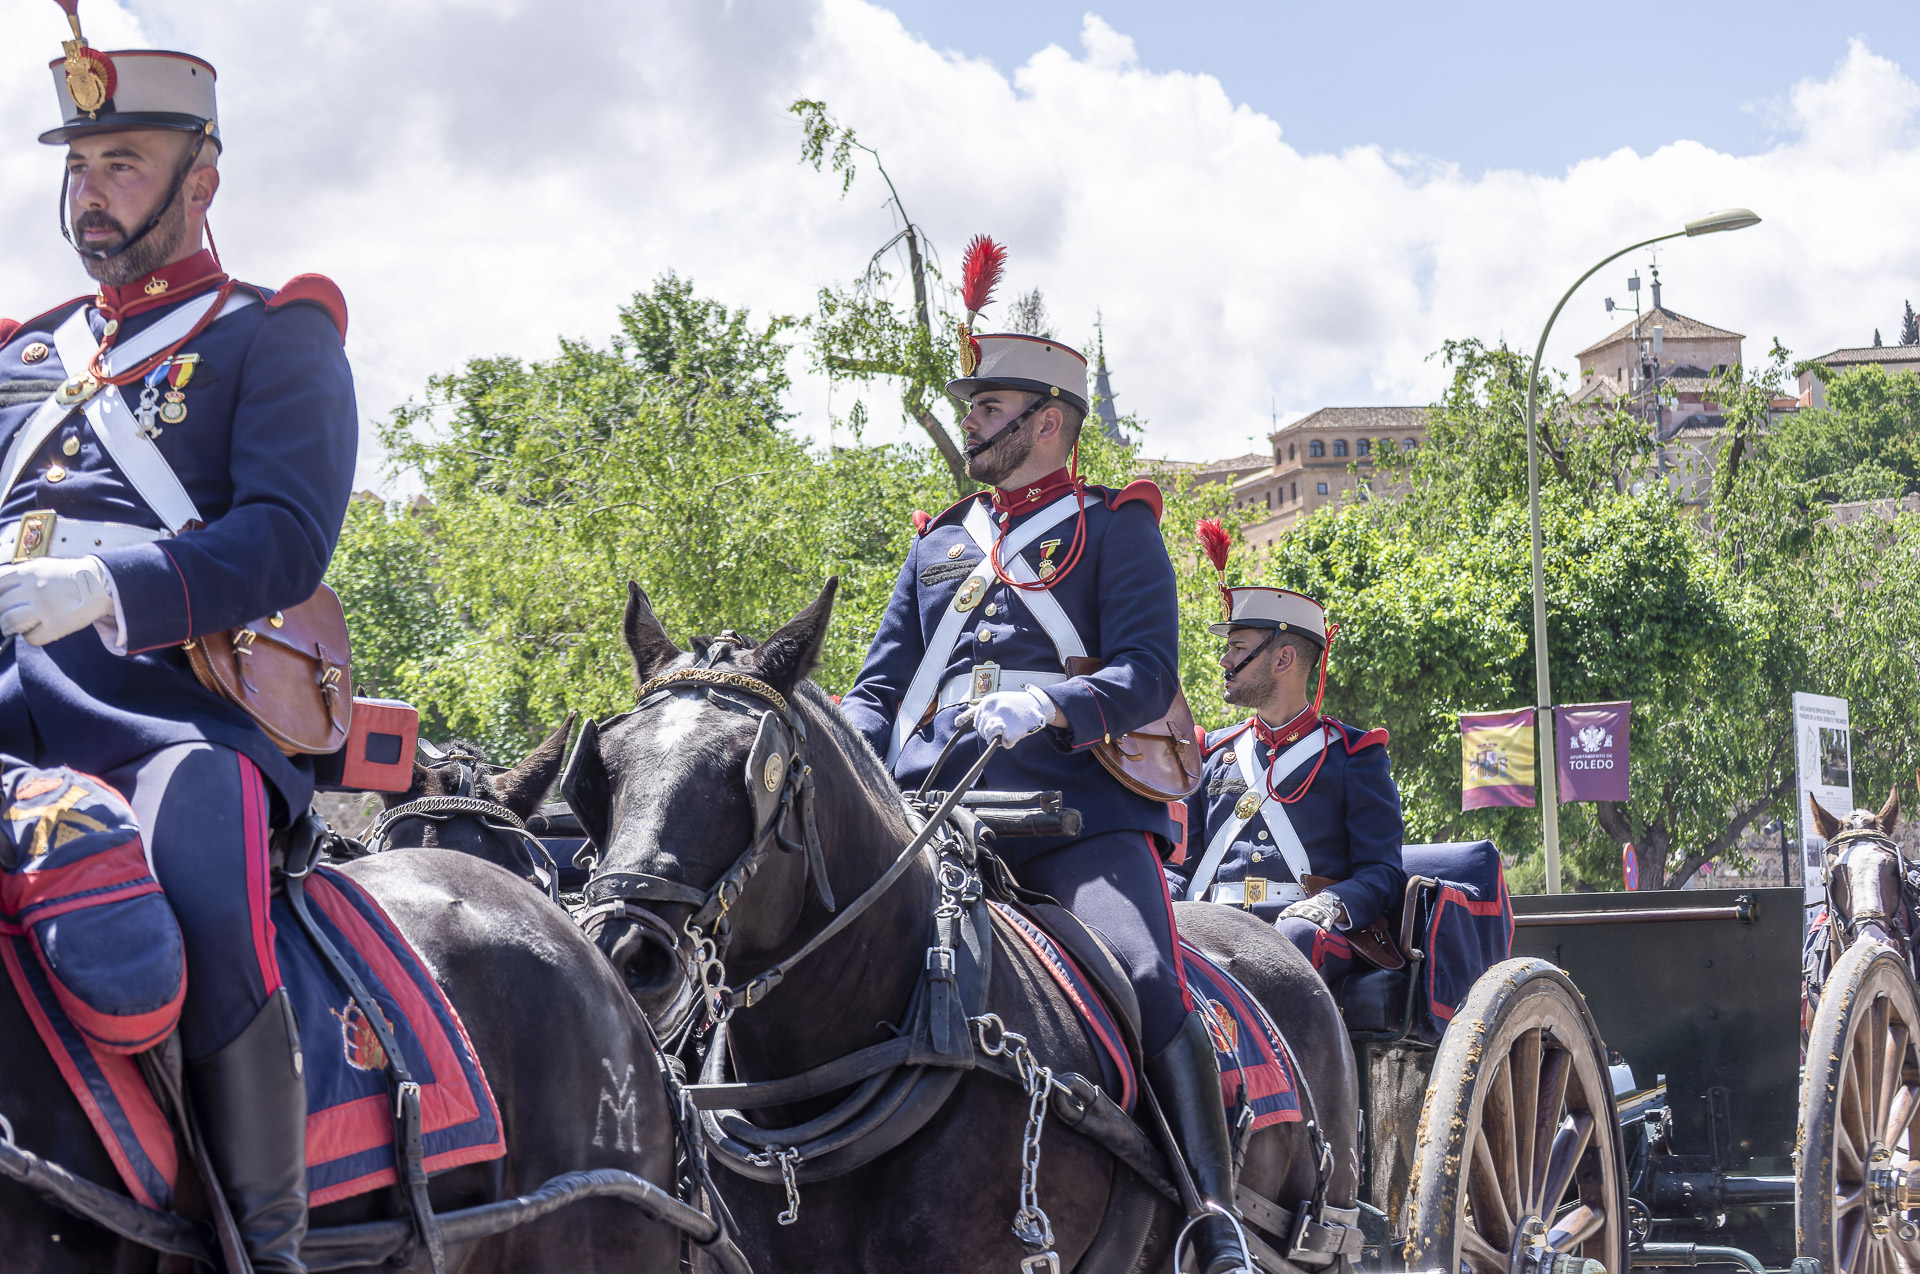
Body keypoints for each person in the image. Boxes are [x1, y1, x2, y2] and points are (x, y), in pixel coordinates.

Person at [0, 9, 357, 1269]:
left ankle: (263, 1238)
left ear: (202, 177)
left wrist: (106, 588)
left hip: (168, 718)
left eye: (126, 164)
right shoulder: (21, 359)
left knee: (197, 839)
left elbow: (282, 540)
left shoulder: (275, 336)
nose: (93, 197)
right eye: (80, 168)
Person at [839, 255, 1250, 1274]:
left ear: (1051, 421)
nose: (972, 421)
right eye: (971, 406)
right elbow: (878, 685)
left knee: (1150, 974)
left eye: (991, 405)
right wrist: (845, 735)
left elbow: (1151, 675)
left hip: (1074, 819)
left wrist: (1056, 701)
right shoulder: (936, 546)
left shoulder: (1118, 532)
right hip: (928, 817)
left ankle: (1213, 1216)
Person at [1171, 584, 1406, 986]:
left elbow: (1382, 874)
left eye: (1239, 648)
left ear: (1283, 658)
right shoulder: (1211, 753)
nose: (1224, 660)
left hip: (1306, 927)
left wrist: (1331, 904)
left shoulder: (1353, 756)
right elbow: (1181, 865)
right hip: (1210, 920)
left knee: (1294, 937)